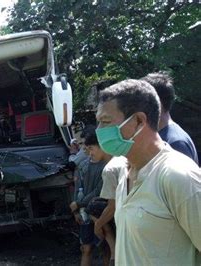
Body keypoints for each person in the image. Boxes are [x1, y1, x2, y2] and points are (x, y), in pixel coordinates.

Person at [95, 79, 200, 265]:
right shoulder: (124, 172)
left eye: (106, 122)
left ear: (138, 121)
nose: (99, 131)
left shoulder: (178, 175)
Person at [84, 128, 128, 265]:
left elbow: (112, 206)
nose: (90, 154)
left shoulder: (110, 169)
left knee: (93, 207)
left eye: (91, 149)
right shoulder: (125, 158)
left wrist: (98, 224)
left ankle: (114, 255)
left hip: (123, 221)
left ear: (102, 145)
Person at [141, 72, 199, 164]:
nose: (136, 107)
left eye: (141, 100)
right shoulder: (160, 136)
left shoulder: (176, 142)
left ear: (157, 103)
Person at [69, 126, 107, 266]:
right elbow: (79, 188)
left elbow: (98, 191)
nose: (86, 150)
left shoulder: (107, 166)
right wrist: (76, 208)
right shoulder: (83, 165)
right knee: (86, 247)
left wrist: (78, 204)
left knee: (105, 247)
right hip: (85, 213)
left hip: (100, 211)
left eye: (89, 147)